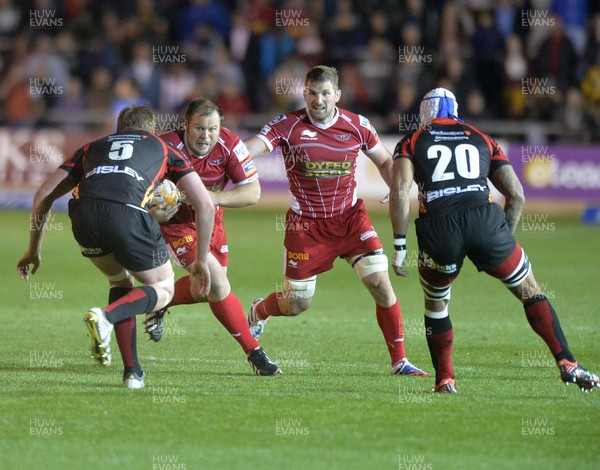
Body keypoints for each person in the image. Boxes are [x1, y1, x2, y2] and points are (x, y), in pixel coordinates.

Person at [388, 87, 600, 393]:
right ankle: (567, 362)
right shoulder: (481, 137)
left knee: (436, 305)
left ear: (425, 113)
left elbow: (398, 192)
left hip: (439, 228)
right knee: (529, 290)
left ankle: (445, 379)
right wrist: (501, 239)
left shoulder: (412, 140)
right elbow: (516, 195)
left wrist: (399, 245)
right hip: (485, 222)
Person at [243, 65, 428, 376]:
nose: (318, 100)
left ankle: (400, 361)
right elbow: (253, 147)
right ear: (304, 93)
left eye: (325, 93)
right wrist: (232, 154)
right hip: (306, 227)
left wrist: (396, 185)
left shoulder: (357, 125)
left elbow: (384, 159)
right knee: (297, 303)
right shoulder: (287, 125)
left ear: (337, 95)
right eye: (312, 93)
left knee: (381, 285)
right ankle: (260, 310)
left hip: (350, 220)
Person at [16, 105, 215, 388]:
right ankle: (105, 317)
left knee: (120, 281)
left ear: (119, 129)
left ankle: (132, 373)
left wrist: (33, 249)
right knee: (164, 288)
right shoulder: (163, 146)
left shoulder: (92, 147)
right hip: (127, 213)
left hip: (83, 216)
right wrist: (202, 261)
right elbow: (205, 206)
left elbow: (43, 194)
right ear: (152, 129)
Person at [144, 98, 281, 376]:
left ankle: (159, 300)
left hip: (212, 220)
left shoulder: (231, 145)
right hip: (176, 225)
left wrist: (213, 198)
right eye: (199, 129)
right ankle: (254, 353)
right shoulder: (164, 147)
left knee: (204, 290)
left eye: (212, 129)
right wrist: (154, 206)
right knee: (217, 281)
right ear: (185, 125)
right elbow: (141, 189)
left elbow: (253, 192)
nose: (206, 136)